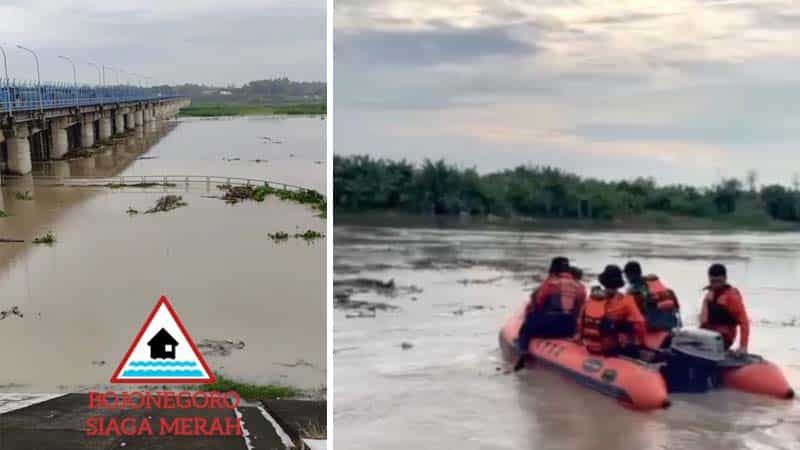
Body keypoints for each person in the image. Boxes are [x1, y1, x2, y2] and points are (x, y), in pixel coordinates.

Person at [516, 257, 586, 354]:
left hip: (549, 325)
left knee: (526, 326)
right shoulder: (580, 287)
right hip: (570, 328)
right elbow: (581, 309)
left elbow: (538, 303)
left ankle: (522, 349)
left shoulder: (550, 283)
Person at [578, 265, 646, 356]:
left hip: (589, 344)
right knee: (629, 325)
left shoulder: (592, 298)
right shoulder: (626, 300)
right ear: (620, 282)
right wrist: (642, 343)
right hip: (610, 347)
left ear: (603, 281)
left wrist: (579, 338)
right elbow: (640, 324)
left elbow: (580, 320)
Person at [700, 263, 750, 352]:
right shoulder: (709, 296)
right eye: (713, 282)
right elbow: (703, 321)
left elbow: (744, 322)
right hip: (708, 334)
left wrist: (743, 346)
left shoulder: (731, 297)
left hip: (724, 337)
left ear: (725, 278)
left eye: (718, 281)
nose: (715, 285)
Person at [623, 261, 681, 332]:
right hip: (670, 324)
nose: (626, 279)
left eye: (626, 276)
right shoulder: (660, 287)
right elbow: (677, 309)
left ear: (630, 275)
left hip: (651, 326)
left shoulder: (633, 292)